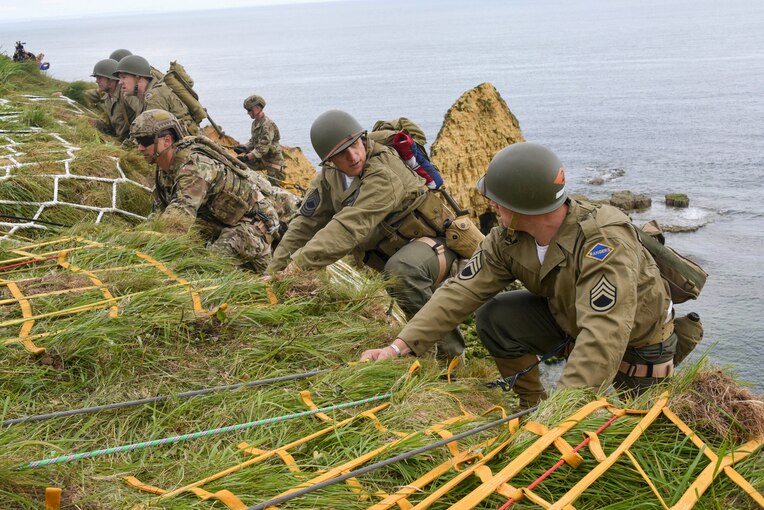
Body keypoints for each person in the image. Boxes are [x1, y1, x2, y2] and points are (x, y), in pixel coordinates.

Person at [361, 142, 677, 408]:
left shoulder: (604, 243)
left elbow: (604, 333)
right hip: (568, 317)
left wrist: (558, 415)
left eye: (497, 199)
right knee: (496, 316)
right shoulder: (508, 238)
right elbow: (459, 293)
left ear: (524, 205)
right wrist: (398, 348)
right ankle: (531, 406)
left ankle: (548, 416)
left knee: (644, 428)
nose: (490, 204)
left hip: (639, 343)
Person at [267, 110, 465, 359]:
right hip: (398, 253)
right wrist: (273, 274)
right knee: (401, 271)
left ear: (363, 138)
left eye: (355, 144)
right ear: (329, 160)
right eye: (340, 153)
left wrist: (297, 267)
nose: (352, 156)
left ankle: (452, 361)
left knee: (403, 272)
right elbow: (305, 224)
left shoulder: (384, 172)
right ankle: (422, 352)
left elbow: (350, 227)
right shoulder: (330, 176)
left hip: (438, 246)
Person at [130, 109, 279, 273]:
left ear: (166, 141)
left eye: (145, 141)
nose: (140, 148)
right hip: (223, 223)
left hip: (253, 223)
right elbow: (158, 214)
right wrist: (135, 240)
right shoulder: (164, 170)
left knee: (208, 266)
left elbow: (178, 217)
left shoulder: (195, 168)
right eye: (137, 141)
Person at [114, 55, 199, 136]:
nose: (120, 82)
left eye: (124, 77)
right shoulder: (143, 97)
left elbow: (152, 135)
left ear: (138, 77)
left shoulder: (154, 97)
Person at [233, 95, 286, 182]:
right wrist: (244, 147)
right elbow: (254, 141)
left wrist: (246, 157)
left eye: (249, 110)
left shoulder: (267, 125)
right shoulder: (255, 123)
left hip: (274, 163)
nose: (248, 113)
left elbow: (262, 148)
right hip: (262, 159)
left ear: (257, 108)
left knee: (273, 191)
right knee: (240, 166)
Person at [88, 58, 139, 141]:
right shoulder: (107, 98)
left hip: (133, 142)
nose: (97, 81)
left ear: (111, 79)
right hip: (121, 140)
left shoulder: (126, 95)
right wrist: (95, 123)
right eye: (96, 78)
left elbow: (143, 116)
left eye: (100, 78)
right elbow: (112, 128)